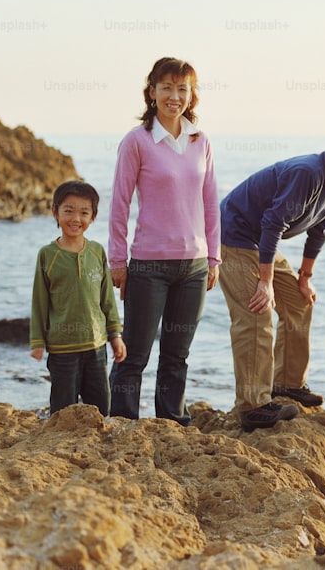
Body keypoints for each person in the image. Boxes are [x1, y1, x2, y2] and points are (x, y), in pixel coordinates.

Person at [219, 118, 325, 432]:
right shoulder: (307, 173)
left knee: (298, 302)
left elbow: (321, 229)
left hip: (260, 241)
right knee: (256, 313)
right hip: (234, 236)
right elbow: (272, 224)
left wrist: (304, 278)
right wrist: (265, 282)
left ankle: (287, 384)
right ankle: (252, 406)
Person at [108, 56, 221, 426]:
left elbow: (210, 203)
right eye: (167, 87)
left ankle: (172, 424)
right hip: (148, 266)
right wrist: (117, 260)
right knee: (135, 354)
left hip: (194, 266)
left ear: (192, 95)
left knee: (177, 355)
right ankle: (122, 422)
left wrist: (214, 258)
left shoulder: (200, 141)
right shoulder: (136, 142)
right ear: (152, 92)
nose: (175, 96)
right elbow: (119, 204)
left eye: (183, 89)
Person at [30, 180, 127, 415]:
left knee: (100, 408)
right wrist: (37, 341)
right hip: (62, 348)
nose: (76, 218)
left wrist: (115, 335)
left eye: (84, 212)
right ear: (55, 212)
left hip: (96, 345)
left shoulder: (97, 252)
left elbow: (107, 299)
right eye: (68, 210)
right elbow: (39, 301)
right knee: (63, 409)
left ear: (92, 217)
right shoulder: (48, 255)